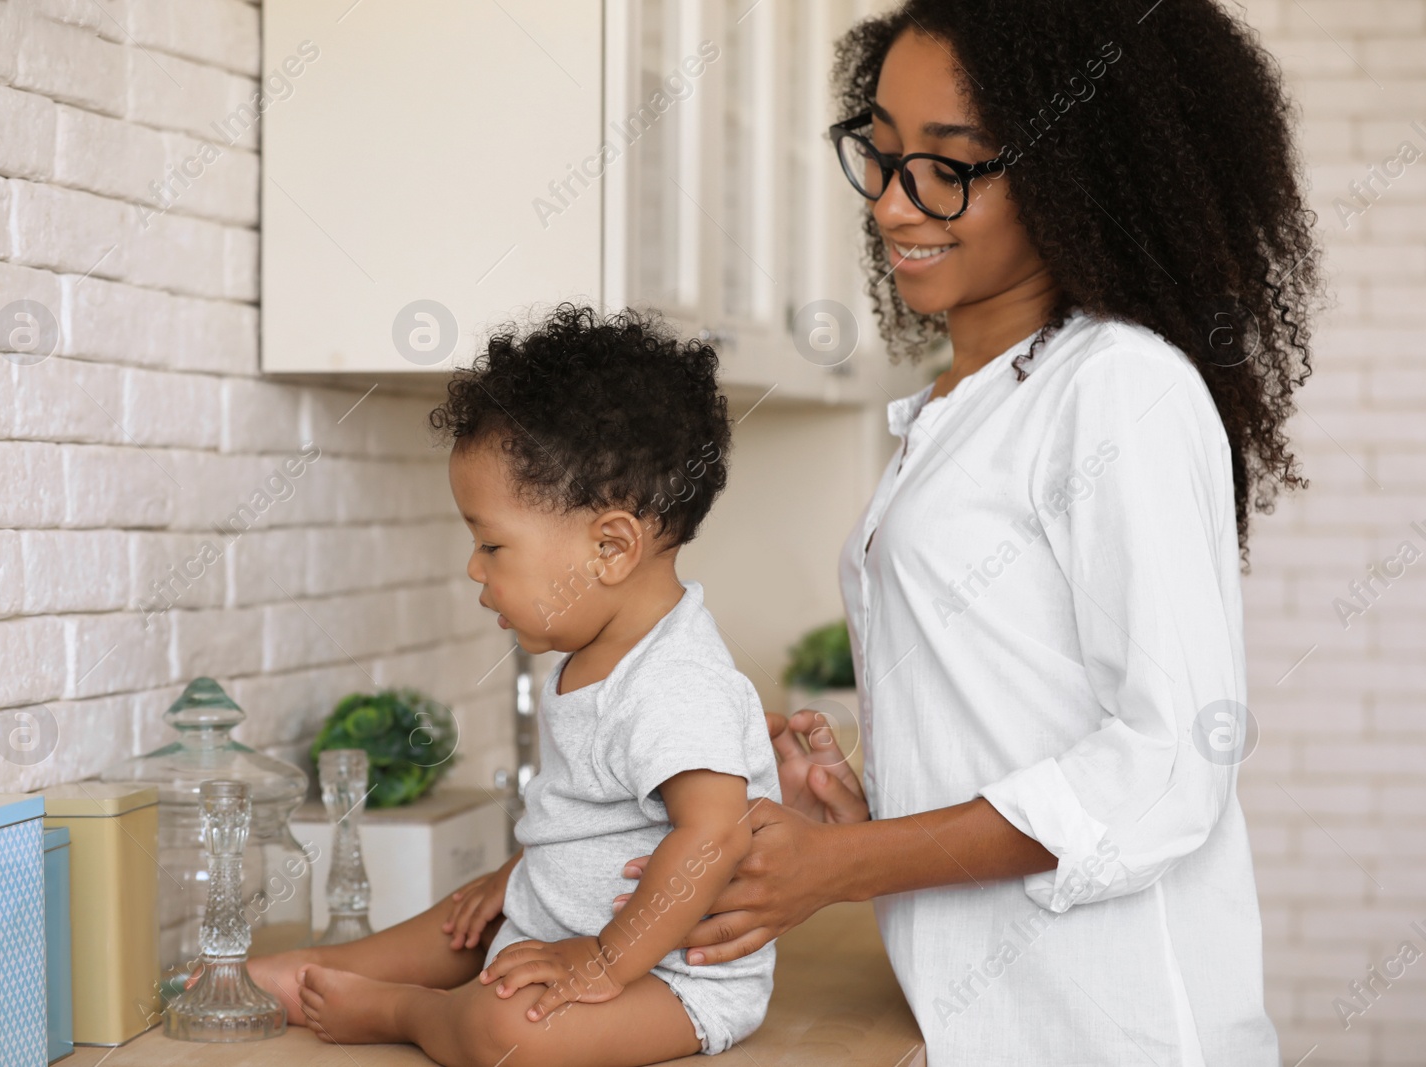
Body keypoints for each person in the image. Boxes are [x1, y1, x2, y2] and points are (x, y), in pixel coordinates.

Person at [610, 1, 1321, 1064]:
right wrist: (861, 814)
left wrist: (842, 869)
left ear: (1078, 171)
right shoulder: (963, 403)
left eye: (950, 165)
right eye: (883, 156)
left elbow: (1169, 763)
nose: (896, 206)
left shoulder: (1115, 389)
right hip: (983, 1021)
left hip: (1112, 1032)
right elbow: (1019, 719)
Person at [243, 305, 781, 1067]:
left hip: (668, 980)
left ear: (611, 547)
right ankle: (318, 969)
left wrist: (600, 958)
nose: (474, 568)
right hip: (566, 935)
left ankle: (402, 1009)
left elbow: (712, 835)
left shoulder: (676, 679)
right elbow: (595, 819)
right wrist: (519, 876)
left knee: (509, 1033)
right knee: (464, 917)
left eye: (491, 542)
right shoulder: (595, 653)